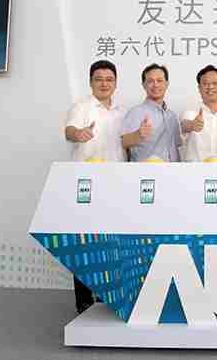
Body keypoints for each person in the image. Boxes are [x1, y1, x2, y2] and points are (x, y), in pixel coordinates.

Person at [64, 59, 126, 313]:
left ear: (115, 83)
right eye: (99, 79)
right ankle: (84, 300)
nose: (104, 83)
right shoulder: (81, 107)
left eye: (109, 79)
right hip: (87, 185)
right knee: (85, 241)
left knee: (110, 240)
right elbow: (69, 131)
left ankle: (106, 296)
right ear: (90, 82)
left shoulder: (122, 112)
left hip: (115, 182)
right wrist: (78, 134)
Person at [121, 63, 181, 162]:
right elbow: (124, 142)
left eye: (159, 80)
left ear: (166, 84)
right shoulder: (136, 112)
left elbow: (177, 145)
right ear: (144, 85)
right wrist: (138, 135)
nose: (155, 85)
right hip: (146, 170)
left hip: (174, 170)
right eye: (150, 81)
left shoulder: (172, 115)